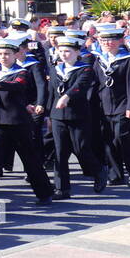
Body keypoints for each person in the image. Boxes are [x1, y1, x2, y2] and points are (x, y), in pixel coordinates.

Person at [0, 37, 54, 203]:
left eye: (7, 53)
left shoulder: (21, 72)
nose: (3, 57)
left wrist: (0, 85)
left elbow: (18, 85)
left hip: (18, 122)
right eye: (0, 53)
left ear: (15, 55)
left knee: (30, 160)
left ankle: (45, 193)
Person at [48, 35, 107, 197]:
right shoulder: (55, 69)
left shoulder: (85, 69)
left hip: (78, 115)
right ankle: (62, 188)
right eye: (61, 51)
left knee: (81, 149)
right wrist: (48, 115)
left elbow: (80, 86)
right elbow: (51, 94)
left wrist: (67, 96)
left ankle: (98, 171)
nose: (64, 54)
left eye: (67, 51)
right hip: (58, 115)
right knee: (60, 152)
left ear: (77, 52)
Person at [94, 25, 130, 188]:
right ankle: (115, 174)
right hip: (104, 106)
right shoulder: (99, 59)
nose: (107, 43)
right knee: (108, 140)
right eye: (104, 40)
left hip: (123, 105)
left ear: (120, 40)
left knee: (122, 137)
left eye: (112, 39)